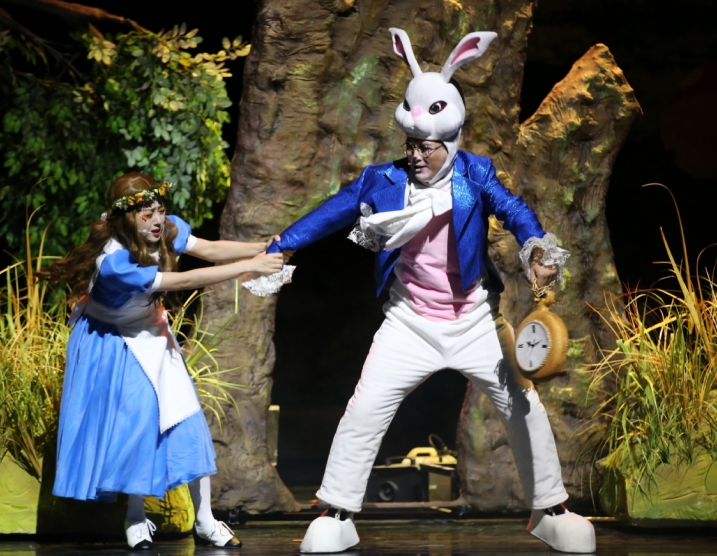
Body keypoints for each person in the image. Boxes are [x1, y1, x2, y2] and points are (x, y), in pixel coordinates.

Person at [267, 28, 595, 554]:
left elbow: (515, 211)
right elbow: (334, 211)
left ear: (450, 142)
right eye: (412, 146)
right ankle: (337, 512)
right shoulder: (384, 180)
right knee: (364, 409)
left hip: (476, 321)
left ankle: (550, 511)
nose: (417, 155)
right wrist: (282, 245)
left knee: (524, 407)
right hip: (409, 322)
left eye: (426, 147)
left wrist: (537, 248)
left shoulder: (475, 174)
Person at [40, 172, 285, 550]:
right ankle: (135, 517)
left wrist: (260, 247)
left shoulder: (164, 229)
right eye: (147, 214)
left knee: (186, 414)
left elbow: (208, 249)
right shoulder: (115, 262)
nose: (158, 220)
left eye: (160, 210)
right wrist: (250, 266)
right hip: (112, 338)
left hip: (151, 330)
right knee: (138, 422)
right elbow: (180, 282)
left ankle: (205, 520)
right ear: (126, 218)